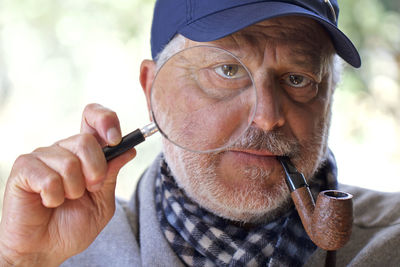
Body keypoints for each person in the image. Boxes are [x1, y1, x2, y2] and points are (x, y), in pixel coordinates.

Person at [1, 0, 400, 266]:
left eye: (298, 78)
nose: (266, 117)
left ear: (330, 99)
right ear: (153, 91)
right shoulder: (60, 251)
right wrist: (20, 260)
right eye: (226, 71)